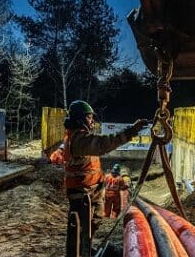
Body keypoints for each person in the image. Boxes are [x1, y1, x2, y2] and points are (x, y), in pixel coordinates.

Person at [62, 100, 146, 236]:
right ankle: (77, 254)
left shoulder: (76, 136)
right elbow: (103, 144)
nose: (92, 120)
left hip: (88, 189)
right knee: (81, 225)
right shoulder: (79, 139)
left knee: (90, 223)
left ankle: (84, 250)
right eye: (89, 117)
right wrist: (131, 131)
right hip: (82, 191)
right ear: (80, 119)